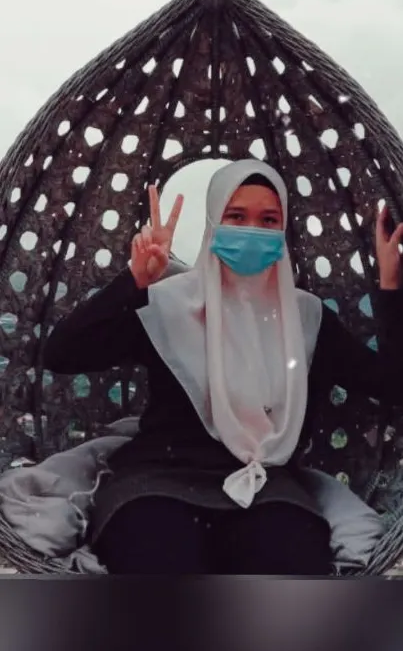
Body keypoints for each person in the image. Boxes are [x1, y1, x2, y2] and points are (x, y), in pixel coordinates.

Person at [44, 159, 403, 575]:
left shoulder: (306, 319)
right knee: (161, 575)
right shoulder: (169, 306)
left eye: (268, 220)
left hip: (267, 489)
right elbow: (62, 354)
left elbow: (392, 383)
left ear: (283, 231)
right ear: (214, 221)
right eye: (237, 216)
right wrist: (134, 281)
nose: (252, 230)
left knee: (290, 578)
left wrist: (391, 286)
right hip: (158, 482)